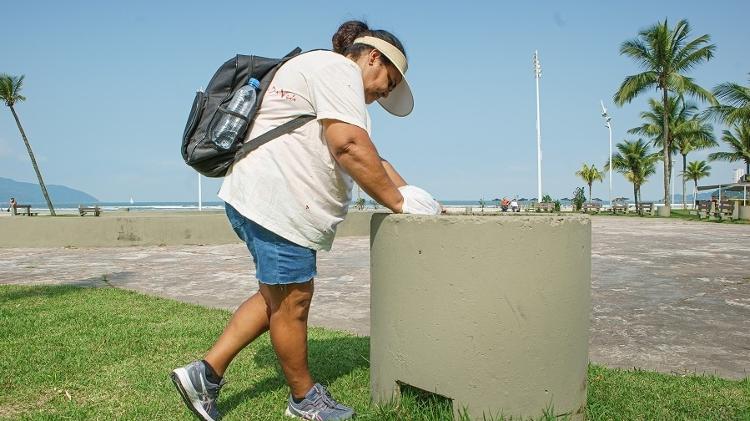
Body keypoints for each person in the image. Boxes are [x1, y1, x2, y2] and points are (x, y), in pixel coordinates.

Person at [170, 21, 440, 421]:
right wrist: (399, 205)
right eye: (391, 79)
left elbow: (374, 159)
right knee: (293, 302)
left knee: (276, 298)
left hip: (263, 200)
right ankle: (304, 399)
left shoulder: (326, 77)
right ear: (373, 57)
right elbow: (348, 146)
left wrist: (423, 201)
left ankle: (204, 374)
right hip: (277, 204)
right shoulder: (336, 70)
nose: (386, 91)